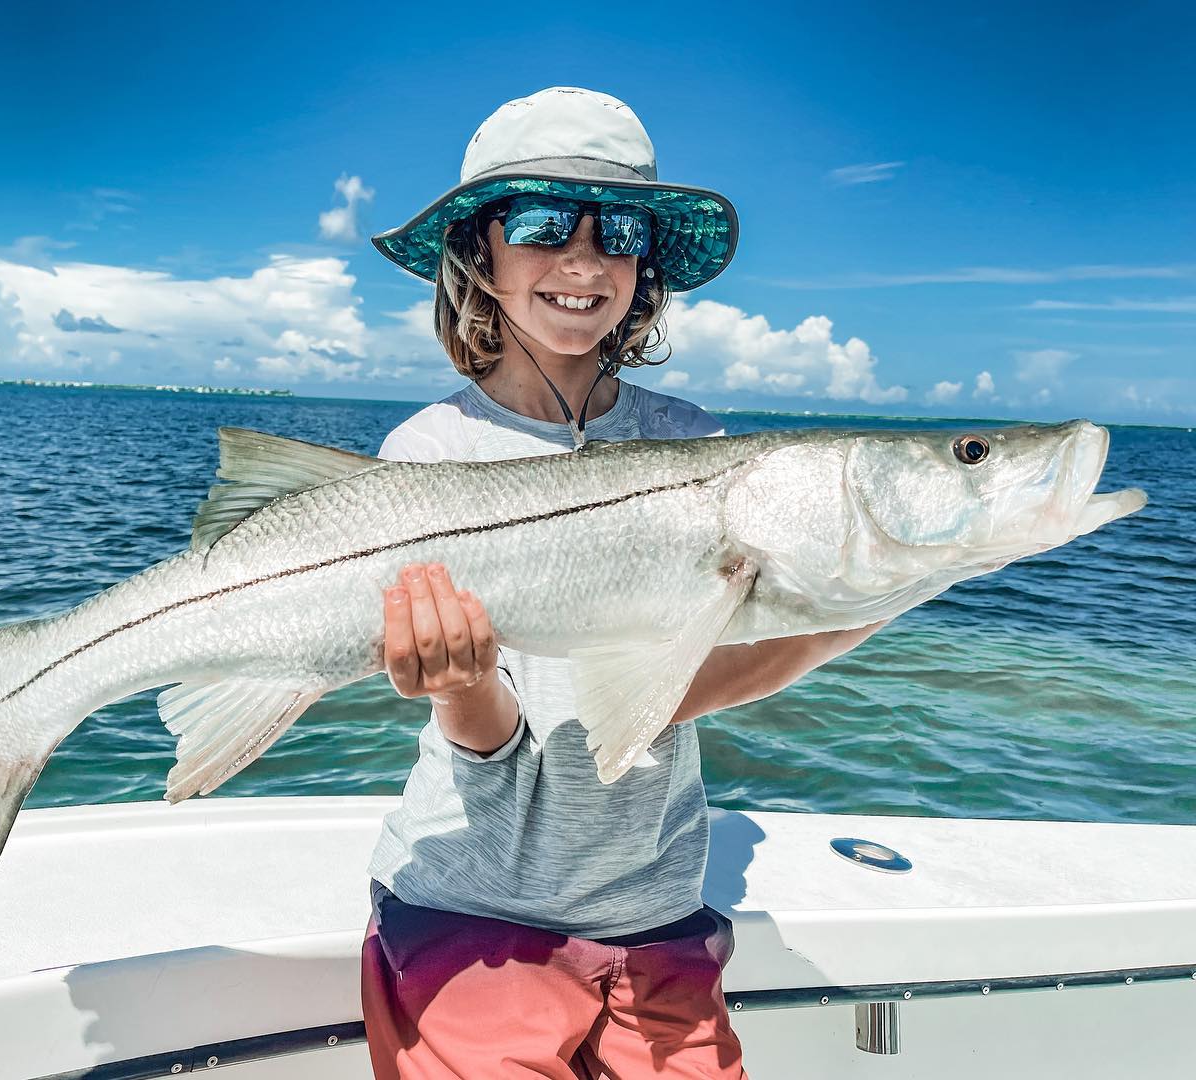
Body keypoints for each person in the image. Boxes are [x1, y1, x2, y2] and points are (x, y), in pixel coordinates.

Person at [361, 86, 881, 1079]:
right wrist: (461, 681)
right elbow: (489, 739)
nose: (583, 260)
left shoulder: (696, 441)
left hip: (660, 921)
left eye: (620, 231)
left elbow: (678, 685)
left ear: (645, 267)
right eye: (545, 223)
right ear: (481, 251)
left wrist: (856, 599)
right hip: (469, 918)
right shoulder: (429, 452)